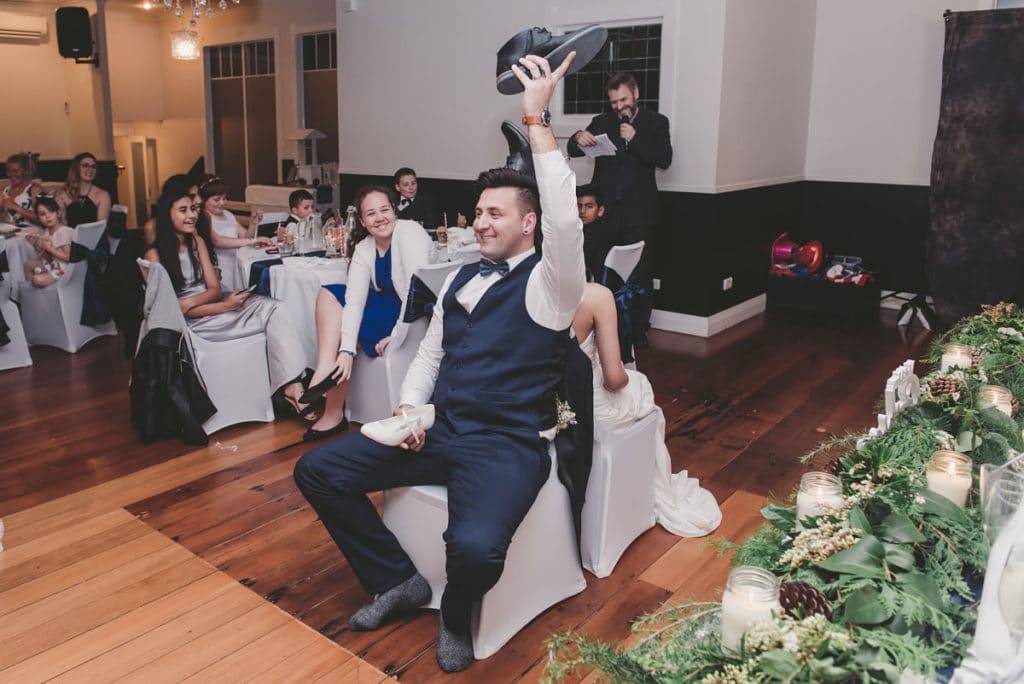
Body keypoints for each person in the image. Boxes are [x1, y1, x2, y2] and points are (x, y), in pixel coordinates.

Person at [293, 52, 584, 672]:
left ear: (529, 225)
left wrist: (536, 121)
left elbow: (566, 215)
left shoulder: (550, 286)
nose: (480, 222)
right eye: (478, 212)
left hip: (507, 442)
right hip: (440, 425)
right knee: (318, 472)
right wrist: (409, 407)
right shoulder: (457, 281)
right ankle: (399, 580)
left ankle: (455, 612)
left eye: (495, 213)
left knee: (475, 547)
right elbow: (430, 351)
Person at [143, 181, 311, 419]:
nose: (192, 215)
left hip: (213, 307)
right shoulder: (155, 254)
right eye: (183, 210)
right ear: (166, 213)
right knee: (263, 314)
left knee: (276, 308)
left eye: (193, 209)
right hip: (197, 325)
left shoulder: (197, 241)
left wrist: (197, 303)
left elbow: (213, 288)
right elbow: (168, 312)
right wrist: (220, 306)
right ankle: (285, 388)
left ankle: (293, 385)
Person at [572, 283, 722, 537]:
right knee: (641, 387)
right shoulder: (596, 296)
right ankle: (646, 490)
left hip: (555, 404)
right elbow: (614, 380)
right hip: (593, 410)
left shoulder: (523, 289)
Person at [298, 184, 433, 442]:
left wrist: (397, 333)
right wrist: (347, 350)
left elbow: (417, 292)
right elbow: (355, 300)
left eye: (385, 209)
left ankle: (333, 410)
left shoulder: (410, 232)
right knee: (331, 294)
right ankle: (328, 366)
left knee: (345, 322)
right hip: (384, 305)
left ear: (394, 209)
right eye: (371, 213)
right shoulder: (364, 247)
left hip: (410, 313)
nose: (379, 217)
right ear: (362, 220)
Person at [567, 72, 672, 347]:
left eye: (623, 99)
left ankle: (638, 330)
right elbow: (574, 148)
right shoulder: (602, 121)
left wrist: (635, 139)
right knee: (603, 269)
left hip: (640, 212)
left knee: (640, 272)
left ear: (636, 93)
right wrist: (578, 137)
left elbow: (664, 159)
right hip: (606, 214)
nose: (619, 106)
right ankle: (604, 325)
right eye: (614, 101)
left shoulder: (656, 123)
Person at [197, 174, 272, 249]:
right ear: (203, 200)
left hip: (237, 257)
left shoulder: (227, 214)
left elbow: (245, 237)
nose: (222, 203)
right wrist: (253, 241)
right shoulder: (202, 218)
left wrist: (253, 224)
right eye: (217, 200)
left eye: (224, 198)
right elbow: (217, 241)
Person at [23, 195, 74, 287]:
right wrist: (36, 245)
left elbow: (68, 258)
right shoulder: (47, 231)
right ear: (38, 218)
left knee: (37, 279)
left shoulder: (63, 231)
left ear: (58, 213)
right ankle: (35, 295)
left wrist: (49, 248)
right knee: (28, 265)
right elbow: (49, 258)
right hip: (53, 265)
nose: (47, 216)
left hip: (64, 269)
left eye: (51, 212)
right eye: (43, 214)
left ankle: (45, 291)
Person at [56, 152, 112, 227]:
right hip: (68, 236)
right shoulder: (63, 193)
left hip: (94, 237)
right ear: (76, 168)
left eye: (93, 167)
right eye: (85, 166)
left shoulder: (103, 195)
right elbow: (59, 227)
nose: (90, 169)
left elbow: (101, 228)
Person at [576, 184, 616, 281]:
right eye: (579, 206)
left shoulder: (603, 236)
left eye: (589, 206)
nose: (582, 211)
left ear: (600, 211)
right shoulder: (575, 230)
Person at [393, 167, 439, 236]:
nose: (411, 188)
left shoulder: (426, 203)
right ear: (398, 187)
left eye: (413, 183)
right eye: (406, 185)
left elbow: (431, 229)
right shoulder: (390, 201)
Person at [2, 153, 42, 227]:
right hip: (9, 233)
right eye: (8, 171)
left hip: (31, 234)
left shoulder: (34, 190)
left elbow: (43, 218)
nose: (11, 175)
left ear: (26, 171)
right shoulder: (5, 190)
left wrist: (17, 208)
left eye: (15, 171)